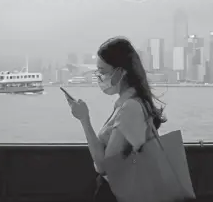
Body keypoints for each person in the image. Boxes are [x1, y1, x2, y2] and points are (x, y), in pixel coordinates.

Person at [65, 37, 167, 202]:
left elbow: (104, 167)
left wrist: (84, 120)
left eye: (103, 71)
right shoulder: (129, 104)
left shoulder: (130, 108)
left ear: (121, 72)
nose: (99, 77)